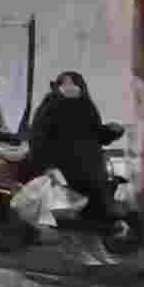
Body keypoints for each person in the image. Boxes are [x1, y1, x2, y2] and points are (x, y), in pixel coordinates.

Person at [23, 71, 121, 266]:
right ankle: (74, 251)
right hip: (65, 169)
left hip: (90, 169)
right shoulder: (50, 106)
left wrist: (111, 131)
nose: (69, 87)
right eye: (65, 82)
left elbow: (96, 134)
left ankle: (96, 250)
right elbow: (38, 137)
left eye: (73, 82)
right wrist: (47, 166)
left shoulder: (86, 105)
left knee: (92, 213)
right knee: (69, 213)